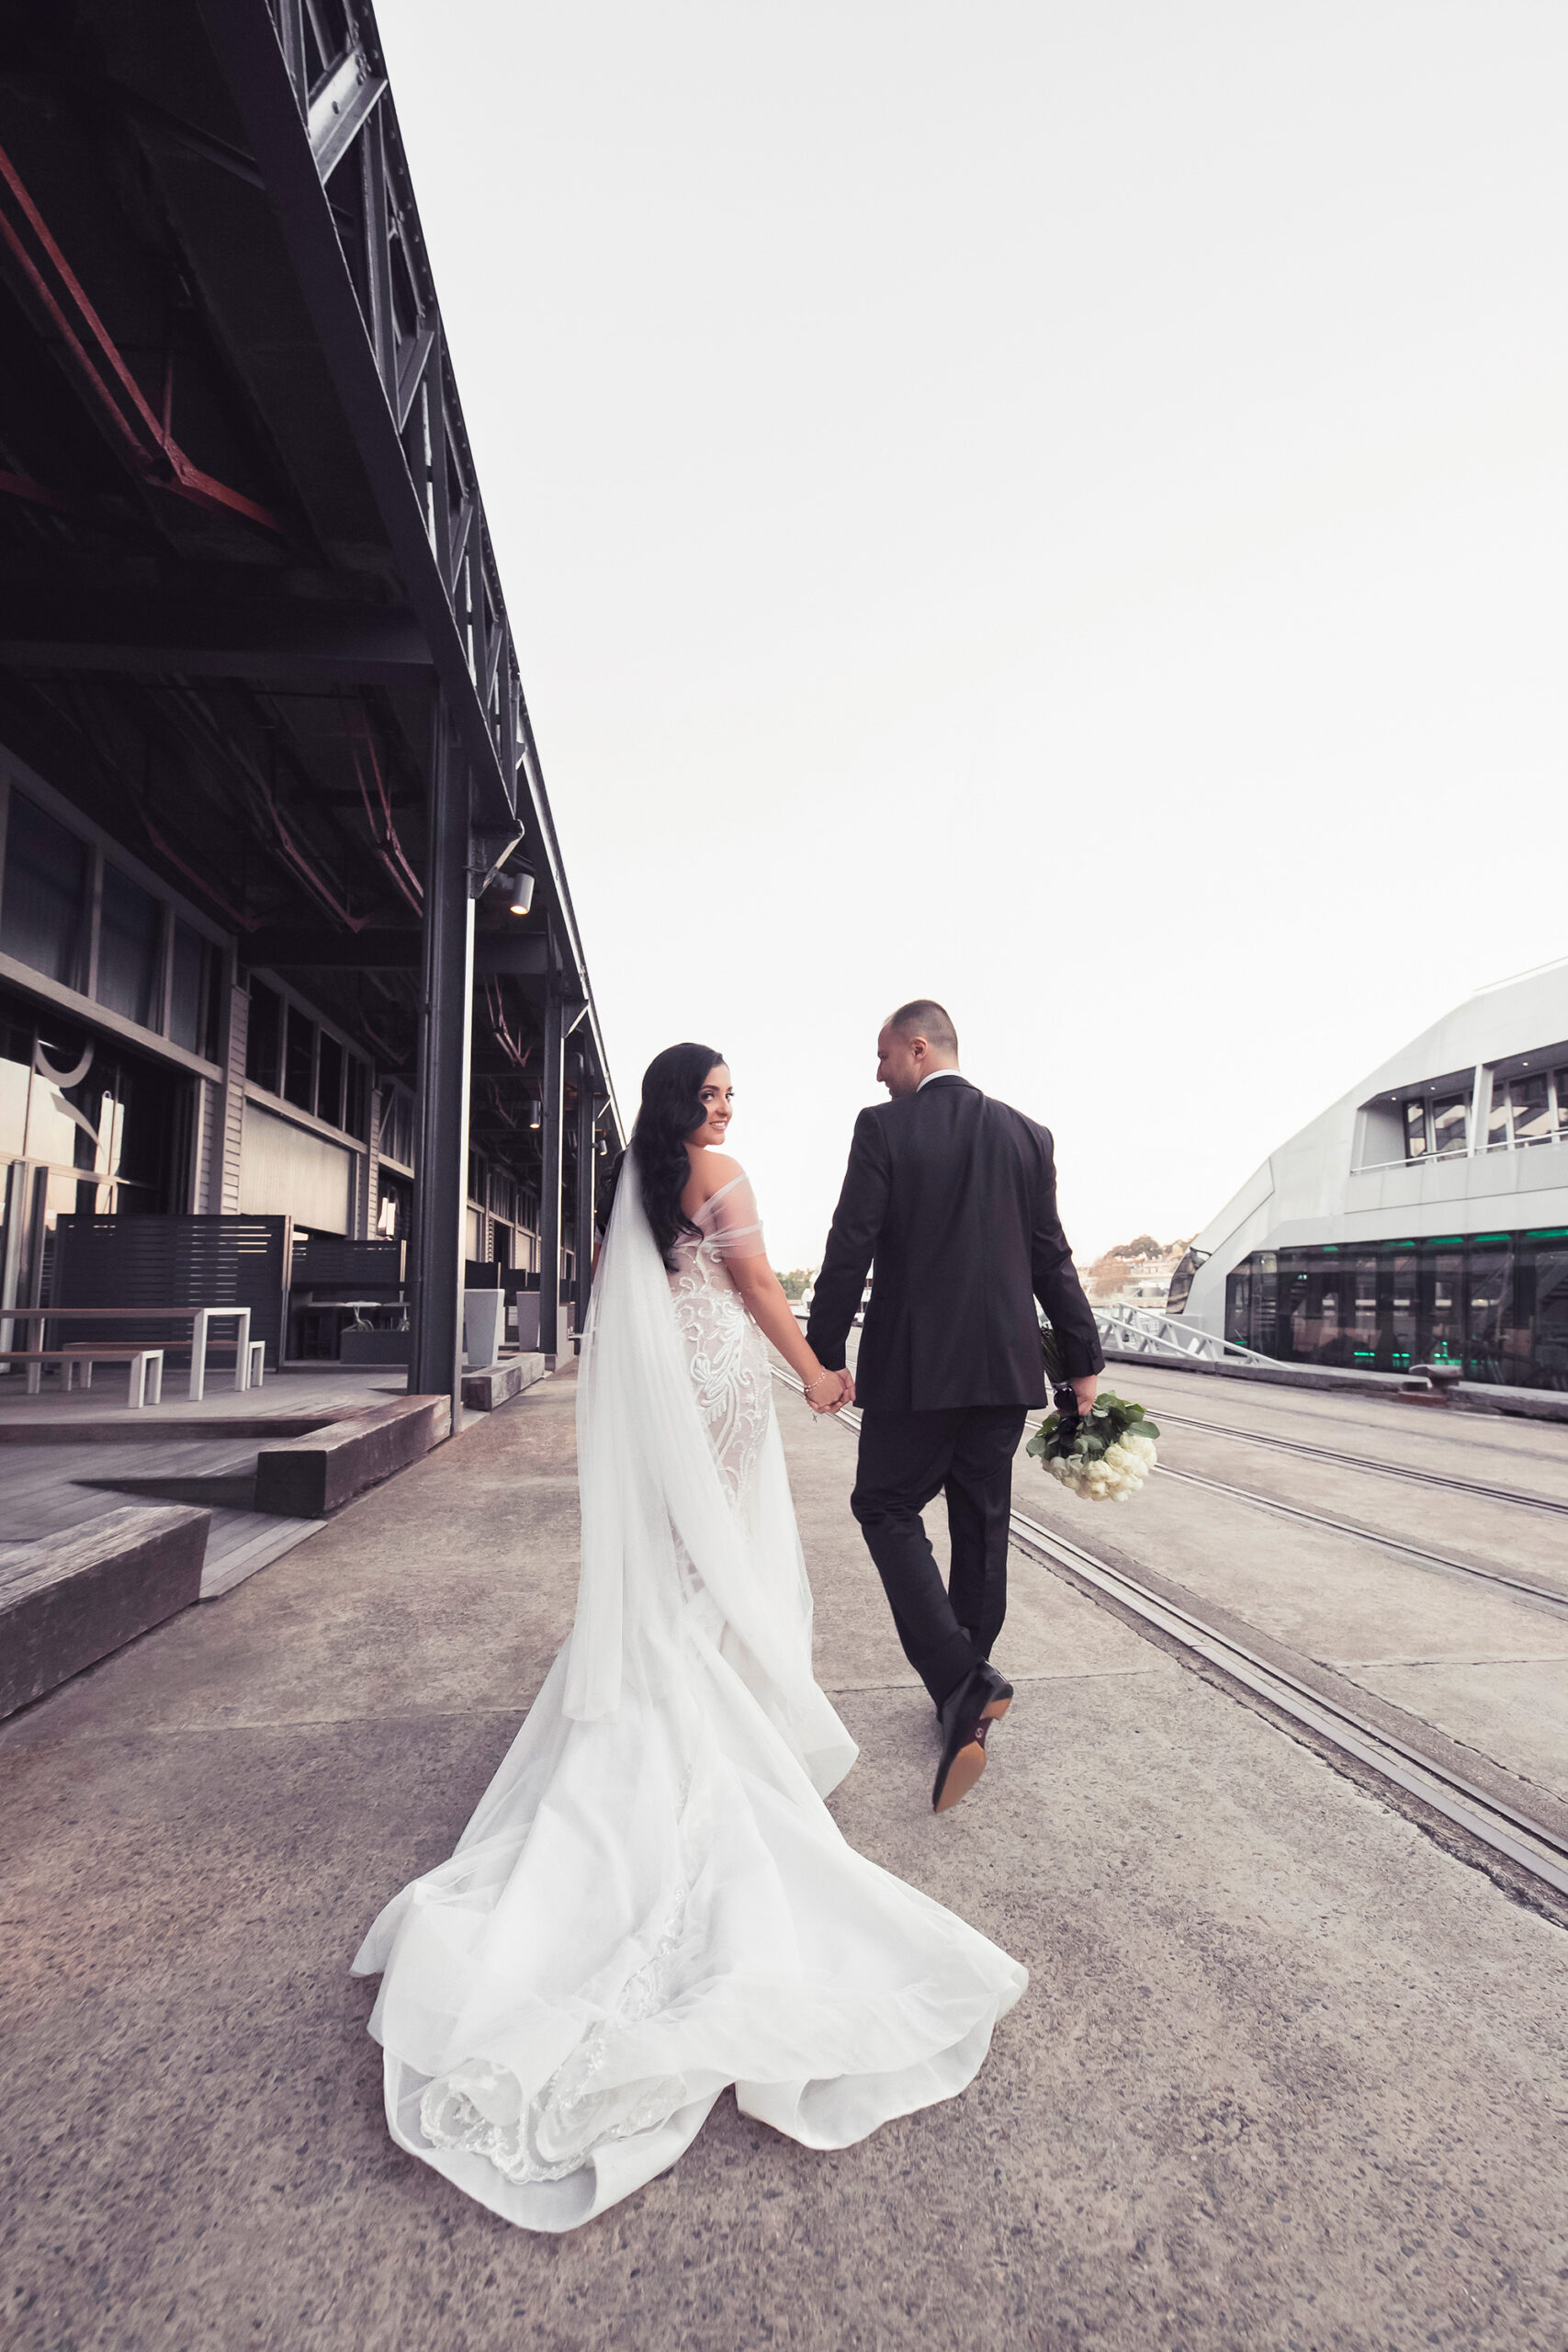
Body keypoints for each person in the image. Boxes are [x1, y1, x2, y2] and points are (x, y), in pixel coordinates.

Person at [352, 1042, 1025, 2231]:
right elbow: (760, 1290)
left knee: (679, 1563)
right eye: (710, 1095)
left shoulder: (640, 1183)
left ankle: (686, 1699)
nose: (723, 1110)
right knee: (731, 1557)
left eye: (726, 1098)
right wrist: (817, 1371)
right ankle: (730, 1719)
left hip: (676, 1382)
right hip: (720, 1384)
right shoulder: (719, 1172)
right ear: (686, 1106)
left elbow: (628, 1294)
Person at [807, 1001, 1102, 1815]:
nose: (876, 1073)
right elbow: (1051, 1256)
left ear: (917, 1046)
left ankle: (962, 1682)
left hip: (913, 1369)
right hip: (1004, 1371)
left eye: (881, 1056)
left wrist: (823, 1352)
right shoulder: (1026, 1134)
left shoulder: (884, 1129)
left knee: (884, 1504)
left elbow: (849, 1245)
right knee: (981, 1519)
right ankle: (960, 1706)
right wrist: (1080, 1363)